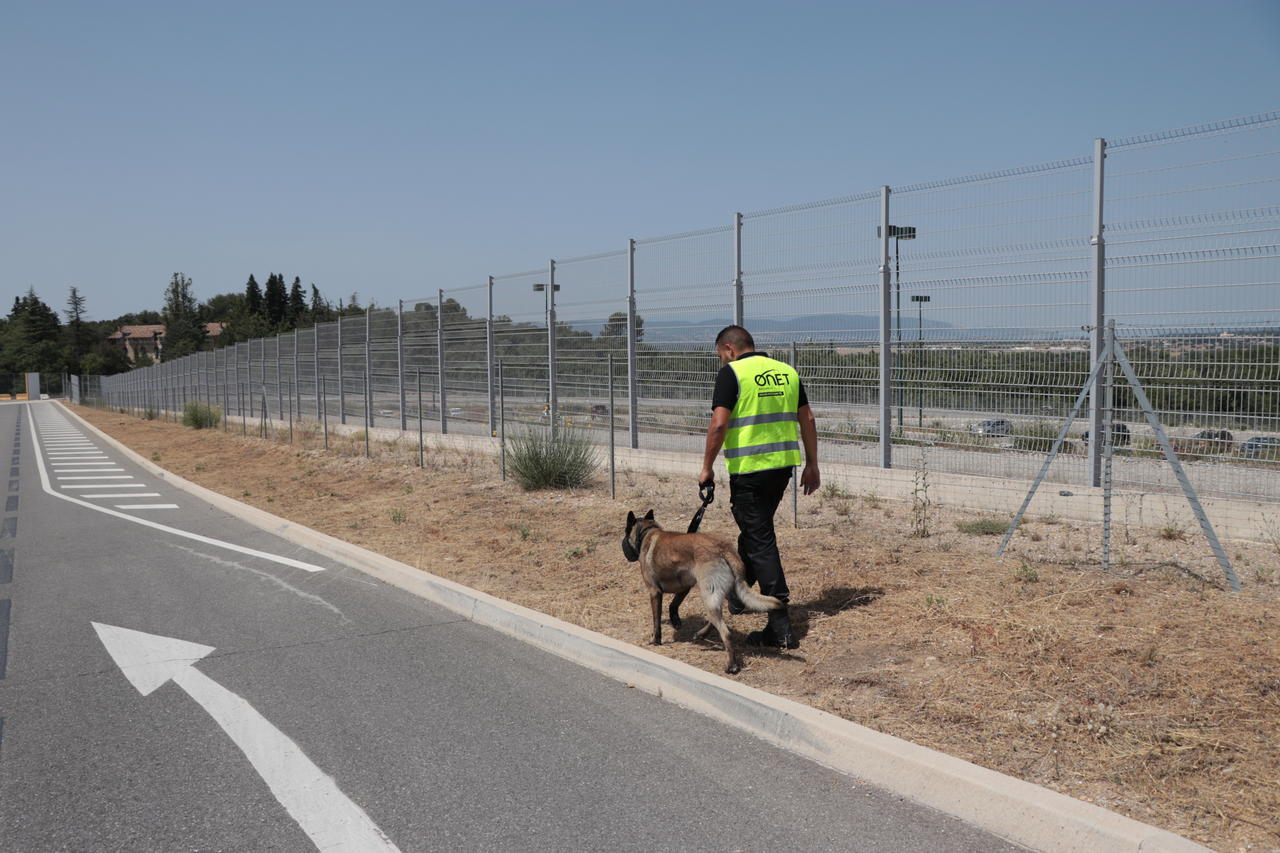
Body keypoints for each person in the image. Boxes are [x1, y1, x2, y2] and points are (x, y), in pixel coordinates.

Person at [698, 325, 820, 650]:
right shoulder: (785, 372)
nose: (721, 361)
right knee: (754, 531)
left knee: (761, 540)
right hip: (782, 469)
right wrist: (812, 463)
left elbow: (719, 424)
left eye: (720, 356)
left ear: (729, 349)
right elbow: (807, 419)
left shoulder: (732, 374)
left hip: (750, 471)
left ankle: (780, 624)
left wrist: (707, 467)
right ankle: (739, 596)